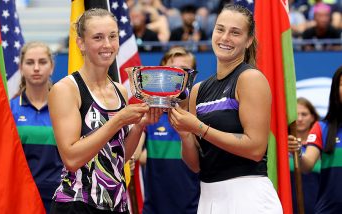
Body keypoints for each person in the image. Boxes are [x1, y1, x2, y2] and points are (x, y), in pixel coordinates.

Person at [168, 4, 283, 213]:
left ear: (249, 41)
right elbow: (196, 165)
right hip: (208, 197)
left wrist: (200, 128)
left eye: (235, 32)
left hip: (248, 197)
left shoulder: (250, 78)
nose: (225, 37)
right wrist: (185, 134)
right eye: (220, 29)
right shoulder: (198, 90)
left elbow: (256, 148)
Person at [48, 8, 162, 213]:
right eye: (98, 38)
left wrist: (138, 127)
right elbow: (72, 159)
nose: (107, 45)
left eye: (113, 36)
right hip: (77, 203)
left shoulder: (119, 89)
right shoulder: (65, 89)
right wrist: (117, 121)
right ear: (80, 43)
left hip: (117, 203)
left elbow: (117, 158)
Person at [138, 47, 200, 214]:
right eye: (171, 71)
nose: (177, 77)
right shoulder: (148, 116)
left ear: (192, 77)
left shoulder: (200, 117)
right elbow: (131, 156)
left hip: (194, 209)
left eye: (184, 71)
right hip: (154, 209)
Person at [10, 41, 63, 213]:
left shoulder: (65, 107)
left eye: (42, 62)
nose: (36, 68)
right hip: (20, 197)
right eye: (30, 62)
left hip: (61, 197)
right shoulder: (9, 109)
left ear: (52, 67)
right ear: (21, 67)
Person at [288, 66, 342, 213]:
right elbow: (306, 167)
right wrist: (297, 151)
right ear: (336, 91)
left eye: (304, 114)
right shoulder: (322, 127)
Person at [289, 97, 320, 214]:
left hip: (319, 206)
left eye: (304, 114)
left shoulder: (324, 143)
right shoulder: (281, 145)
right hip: (288, 206)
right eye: (296, 115)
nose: (300, 119)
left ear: (312, 117)